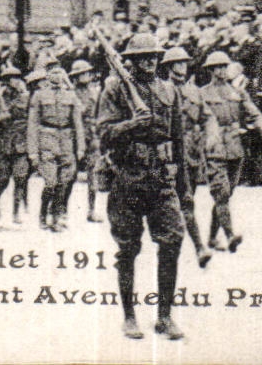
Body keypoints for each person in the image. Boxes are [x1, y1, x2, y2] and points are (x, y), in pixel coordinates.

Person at [96, 32, 188, 341]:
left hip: (161, 177)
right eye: (142, 56)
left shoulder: (169, 90)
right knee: (128, 248)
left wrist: (184, 186)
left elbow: (178, 139)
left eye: (154, 55)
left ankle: (164, 316)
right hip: (128, 176)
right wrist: (133, 123)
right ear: (132, 60)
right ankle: (129, 316)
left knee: (173, 240)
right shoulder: (114, 89)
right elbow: (104, 134)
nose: (149, 60)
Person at [198, 50, 262, 252]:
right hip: (214, 147)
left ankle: (212, 238)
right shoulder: (202, 93)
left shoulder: (238, 92)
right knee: (221, 192)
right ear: (210, 70)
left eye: (224, 66)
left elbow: (255, 114)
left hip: (235, 147)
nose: (221, 71)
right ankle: (230, 235)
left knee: (226, 193)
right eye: (217, 67)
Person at [162, 46, 213, 268]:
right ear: (169, 67)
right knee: (183, 202)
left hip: (191, 155)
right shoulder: (161, 90)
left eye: (184, 62)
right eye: (177, 63)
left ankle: (191, 245)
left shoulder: (195, 91)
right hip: (169, 156)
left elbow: (207, 117)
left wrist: (211, 135)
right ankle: (198, 246)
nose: (182, 66)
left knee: (187, 200)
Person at [28, 63, 84, 233]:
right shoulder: (39, 95)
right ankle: (44, 213)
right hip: (47, 139)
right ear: (48, 77)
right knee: (50, 182)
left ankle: (57, 216)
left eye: (60, 74)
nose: (57, 77)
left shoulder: (71, 96)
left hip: (66, 140)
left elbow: (78, 124)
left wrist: (80, 147)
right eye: (53, 74)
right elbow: (32, 124)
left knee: (64, 182)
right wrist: (32, 151)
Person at [0, 64, 31, 224]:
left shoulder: (26, 97)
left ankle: (16, 212)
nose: (14, 81)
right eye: (10, 79)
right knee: (4, 180)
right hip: (4, 144)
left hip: (21, 141)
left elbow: (31, 118)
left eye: (16, 78)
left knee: (20, 178)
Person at [68, 58, 104, 223]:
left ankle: (91, 210)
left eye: (87, 73)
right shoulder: (70, 94)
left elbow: (100, 113)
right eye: (82, 73)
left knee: (93, 175)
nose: (86, 75)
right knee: (69, 175)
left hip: (92, 136)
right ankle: (61, 210)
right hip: (75, 137)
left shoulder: (95, 93)